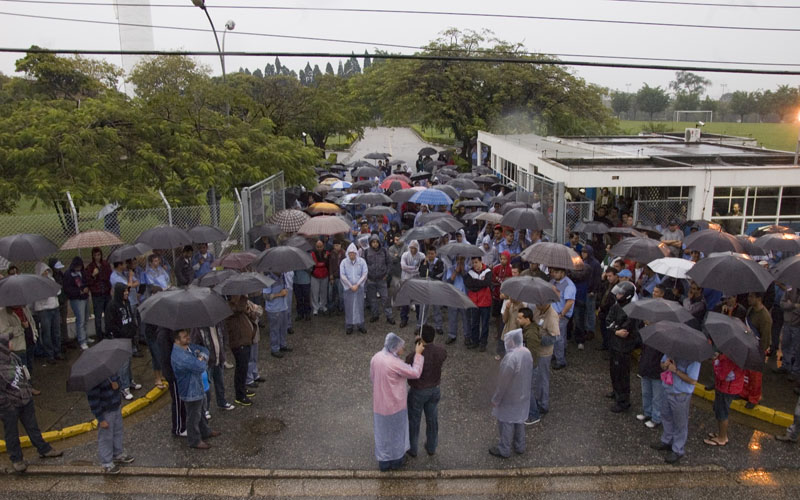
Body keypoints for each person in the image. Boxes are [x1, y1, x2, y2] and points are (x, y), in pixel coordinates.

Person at [0, 333, 62, 473]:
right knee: (11, 433)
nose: (12, 343)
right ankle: (16, 459)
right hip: (11, 406)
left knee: (33, 427)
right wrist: (7, 406)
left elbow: (24, 374)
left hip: (25, 400)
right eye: (9, 341)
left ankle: (44, 449)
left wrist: (27, 391)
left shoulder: (14, 358)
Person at [370, 332, 425, 471]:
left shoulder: (376, 357)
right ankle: (396, 461)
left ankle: (383, 461)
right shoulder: (396, 363)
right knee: (397, 434)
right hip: (395, 405)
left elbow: (373, 377)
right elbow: (415, 372)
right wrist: (418, 354)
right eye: (401, 347)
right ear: (394, 347)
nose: (403, 349)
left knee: (382, 434)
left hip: (379, 404)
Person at [171, 329, 220, 449]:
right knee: (193, 416)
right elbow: (200, 367)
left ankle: (205, 431)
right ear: (177, 340)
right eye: (184, 337)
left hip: (198, 387)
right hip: (190, 391)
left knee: (201, 412)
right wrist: (202, 359)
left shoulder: (189, 348)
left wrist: (200, 357)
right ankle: (194, 440)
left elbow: (204, 350)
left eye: (187, 335)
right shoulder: (180, 356)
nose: (188, 338)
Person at [489, 328, 533, 458]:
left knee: (506, 421)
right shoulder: (526, 352)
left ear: (512, 342)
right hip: (523, 393)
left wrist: (496, 399)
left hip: (510, 396)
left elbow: (503, 382)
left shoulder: (510, 359)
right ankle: (520, 446)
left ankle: (504, 449)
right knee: (519, 420)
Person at [651, 353, 701, 464]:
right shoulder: (671, 351)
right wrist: (665, 365)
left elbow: (693, 380)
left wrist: (675, 370)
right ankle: (667, 440)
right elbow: (662, 364)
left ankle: (678, 449)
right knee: (666, 415)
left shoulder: (694, 359)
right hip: (667, 388)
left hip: (680, 394)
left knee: (680, 422)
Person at [405, 325, 446, 457]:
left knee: (414, 420)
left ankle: (412, 448)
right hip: (434, 390)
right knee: (432, 419)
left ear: (420, 338)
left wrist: (417, 351)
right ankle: (431, 446)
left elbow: (410, 369)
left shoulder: (413, 356)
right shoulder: (441, 351)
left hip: (418, 391)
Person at [87, 374, 134, 474]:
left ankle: (118, 453)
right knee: (106, 437)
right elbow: (93, 401)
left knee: (118, 431)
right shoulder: (93, 379)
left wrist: (117, 385)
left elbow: (119, 382)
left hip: (116, 406)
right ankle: (106, 462)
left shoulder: (111, 372)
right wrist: (101, 418)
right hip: (105, 411)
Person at [605, 281, 639, 413]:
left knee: (622, 374)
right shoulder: (616, 306)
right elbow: (608, 321)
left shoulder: (632, 310)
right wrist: (615, 330)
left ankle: (624, 401)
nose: (618, 295)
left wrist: (616, 329)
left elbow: (626, 329)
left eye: (621, 294)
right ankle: (616, 391)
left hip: (624, 347)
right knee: (613, 370)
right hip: (614, 344)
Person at [105, 283, 141, 400]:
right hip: (119, 339)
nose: (127, 293)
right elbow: (110, 324)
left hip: (129, 337)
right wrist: (121, 333)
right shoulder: (112, 306)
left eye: (127, 291)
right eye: (124, 291)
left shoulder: (127, 303)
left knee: (129, 361)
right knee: (123, 364)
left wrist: (133, 329)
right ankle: (123, 387)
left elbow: (130, 316)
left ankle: (130, 381)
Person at [526, 302, 560, 424]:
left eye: (540, 303)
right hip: (535, 350)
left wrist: (537, 338)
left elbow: (554, 338)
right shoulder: (536, 309)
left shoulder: (552, 316)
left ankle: (543, 405)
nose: (537, 305)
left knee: (542, 378)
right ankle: (538, 401)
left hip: (544, 353)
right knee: (537, 379)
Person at [191, 324, 235, 413]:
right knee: (206, 387)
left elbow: (224, 337)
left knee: (220, 382)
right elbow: (195, 345)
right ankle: (205, 409)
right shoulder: (198, 328)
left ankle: (222, 402)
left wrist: (224, 350)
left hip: (219, 359)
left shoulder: (219, 324)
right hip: (207, 362)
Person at [704, 351, 744, 447]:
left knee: (722, 412)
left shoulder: (729, 358)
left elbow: (721, 375)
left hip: (726, 389)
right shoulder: (736, 356)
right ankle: (722, 434)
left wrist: (715, 362)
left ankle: (722, 438)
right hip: (727, 388)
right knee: (720, 411)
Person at [740, 292, 772, 409]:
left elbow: (766, 338)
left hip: (757, 350)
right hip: (748, 346)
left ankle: (754, 398)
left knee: (755, 376)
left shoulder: (765, 317)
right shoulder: (750, 310)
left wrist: (760, 353)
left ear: (759, 299)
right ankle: (744, 393)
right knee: (746, 373)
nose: (749, 299)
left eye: (751, 297)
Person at [226, 295, 257, 406]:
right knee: (241, 367)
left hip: (244, 340)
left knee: (243, 368)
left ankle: (243, 388)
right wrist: (243, 298)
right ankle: (240, 395)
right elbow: (237, 308)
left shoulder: (239, 306)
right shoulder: (230, 308)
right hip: (238, 342)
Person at [157, 327, 185, 437]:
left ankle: (183, 424)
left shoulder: (172, 331)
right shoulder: (163, 335)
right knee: (177, 401)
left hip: (178, 371)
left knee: (181, 400)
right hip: (173, 373)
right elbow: (167, 356)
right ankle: (178, 428)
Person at [32, 262, 62, 363]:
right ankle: (50, 355)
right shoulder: (36, 283)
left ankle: (57, 351)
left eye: (47, 271)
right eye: (44, 271)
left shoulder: (51, 279)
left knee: (56, 332)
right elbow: (39, 297)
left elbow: (58, 291)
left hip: (55, 308)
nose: (46, 273)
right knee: (47, 333)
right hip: (44, 310)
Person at [364, 234, 395, 325]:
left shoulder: (384, 251)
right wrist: (366, 276)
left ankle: (389, 316)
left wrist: (387, 275)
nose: (375, 244)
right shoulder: (366, 252)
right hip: (370, 279)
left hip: (382, 279)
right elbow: (363, 265)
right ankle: (375, 315)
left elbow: (389, 263)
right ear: (370, 243)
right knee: (372, 299)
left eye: (376, 242)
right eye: (373, 242)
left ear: (379, 242)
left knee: (385, 298)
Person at [637, 331, 664, 429]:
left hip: (656, 371)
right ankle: (647, 413)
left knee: (657, 397)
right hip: (646, 368)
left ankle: (656, 418)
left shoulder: (663, 338)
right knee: (646, 393)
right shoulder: (648, 333)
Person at [465, 256, 493, 352]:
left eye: (476, 262)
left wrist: (475, 283)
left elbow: (487, 282)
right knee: (474, 323)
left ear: (481, 261)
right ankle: (475, 341)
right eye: (473, 263)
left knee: (485, 324)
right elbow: (468, 284)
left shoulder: (488, 271)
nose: (475, 265)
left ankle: (483, 343)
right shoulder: (470, 272)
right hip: (474, 302)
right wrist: (481, 283)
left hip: (485, 301)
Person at [550, 267, 576, 370]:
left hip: (561, 314)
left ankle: (560, 360)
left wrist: (562, 314)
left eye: (556, 272)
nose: (554, 274)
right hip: (553, 312)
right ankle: (556, 353)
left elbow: (570, 301)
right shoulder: (553, 281)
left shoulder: (569, 285)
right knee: (557, 336)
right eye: (553, 272)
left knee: (558, 337)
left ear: (563, 273)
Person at [341, 243, 369, 335]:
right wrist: (350, 285)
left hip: (359, 288)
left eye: (353, 253)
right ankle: (349, 326)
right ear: (348, 253)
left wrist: (357, 284)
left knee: (360, 306)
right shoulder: (344, 262)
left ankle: (361, 325)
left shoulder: (362, 261)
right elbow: (342, 275)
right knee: (349, 307)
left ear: (356, 253)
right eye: (350, 253)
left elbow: (364, 274)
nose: (352, 255)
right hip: (348, 289)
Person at [63, 256, 91, 350]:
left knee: (86, 318)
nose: (78, 268)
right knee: (80, 320)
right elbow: (67, 289)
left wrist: (86, 288)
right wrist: (79, 292)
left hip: (85, 298)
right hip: (76, 300)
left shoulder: (83, 272)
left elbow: (87, 281)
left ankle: (86, 337)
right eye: (77, 266)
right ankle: (82, 340)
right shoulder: (68, 274)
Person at [86, 247, 112, 340]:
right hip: (97, 294)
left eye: (99, 255)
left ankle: (109, 332)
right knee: (98, 316)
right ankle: (99, 335)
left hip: (106, 292)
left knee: (108, 314)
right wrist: (93, 275)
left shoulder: (105, 264)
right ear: (93, 256)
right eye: (95, 255)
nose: (97, 257)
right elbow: (88, 281)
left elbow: (109, 276)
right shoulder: (90, 267)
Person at [417, 246, 444, 334]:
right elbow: (421, 274)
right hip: (425, 288)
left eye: (432, 254)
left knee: (437, 308)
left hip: (436, 288)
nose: (430, 255)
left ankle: (438, 326)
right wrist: (425, 264)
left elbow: (438, 275)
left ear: (435, 254)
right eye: (429, 253)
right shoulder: (423, 262)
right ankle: (421, 325)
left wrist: (430, 273)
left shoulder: (439, 263)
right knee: (423, 308)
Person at [263, 274, 290, 357]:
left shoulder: (283, 276)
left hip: (283, 306)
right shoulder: (268, 279)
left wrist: (285, 291)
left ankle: (283, 344)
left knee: (283, 328)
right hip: (274, 309)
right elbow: (265, 296)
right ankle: (275, 349)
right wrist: (279, 294)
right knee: (275, 330)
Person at [399, 240, 424, 328]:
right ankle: (404, 319)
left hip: (417, 281)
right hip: (406, 279)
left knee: (417, 301)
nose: (413, 250)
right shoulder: (405, 255)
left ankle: (419, 319)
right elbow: (403, 267)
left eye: (415, 248)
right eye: (411, 248)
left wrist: (412, 269)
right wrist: (415, 268)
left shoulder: (421, 256)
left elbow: (422, 268)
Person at [310, 239, 330, 316]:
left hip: (324, 274)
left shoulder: (327, 253)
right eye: (318, 247)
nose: (319, 248)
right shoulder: (312, 253)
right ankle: (315, 307)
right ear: (315, 246)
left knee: (324, 291)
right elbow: (314, 263)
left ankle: (323, 305)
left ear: (323, 246)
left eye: (320, 246)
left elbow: (328, 263)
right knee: (315, 292)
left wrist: (325, 259)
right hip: (315, 275)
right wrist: (324, 261)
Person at [327, 239, 346, 315]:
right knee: (331, 293)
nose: (336, 247)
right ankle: (331, 308)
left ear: (340, 245)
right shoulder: (332, 254)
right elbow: (330, 265)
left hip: (341, 276)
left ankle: (341, 308)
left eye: (338, 245)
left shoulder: (344, 253)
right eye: (335, 245)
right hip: (333, 276)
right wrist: (331, 275)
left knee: (340, 294)